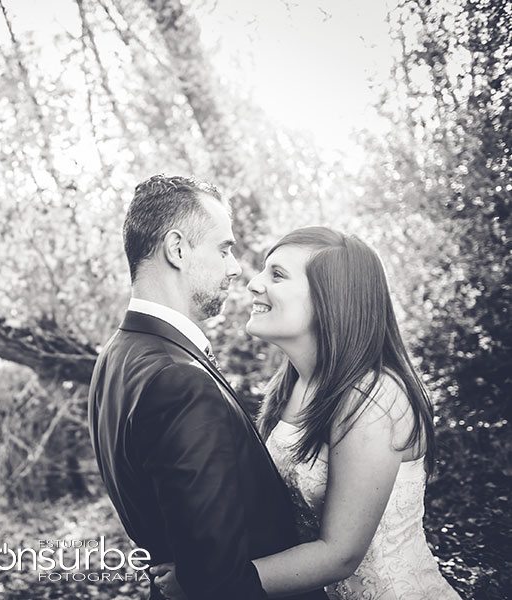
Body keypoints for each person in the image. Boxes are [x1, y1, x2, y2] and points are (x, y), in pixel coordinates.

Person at [153, 226, 461, 599]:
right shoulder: (291, 384)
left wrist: (210, 581)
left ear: (331, 299)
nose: (253, 284)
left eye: (277, 274)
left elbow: (340, 555)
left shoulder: (373, 398)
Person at [88, 175, 328, 600]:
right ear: (177, 249)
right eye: (224, 248)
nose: (236, 267)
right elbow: (218, 579)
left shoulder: (115, 354)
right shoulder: (178, 380)